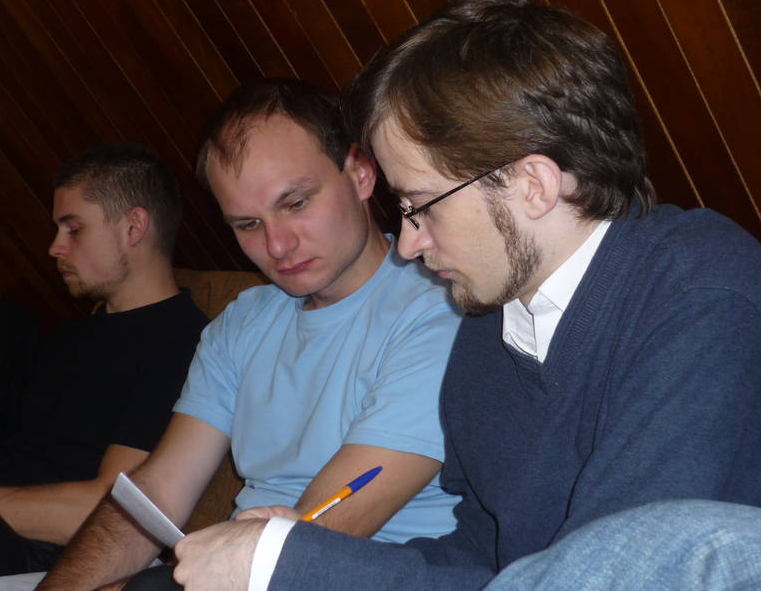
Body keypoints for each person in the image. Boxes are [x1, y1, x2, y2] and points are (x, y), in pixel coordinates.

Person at [46, 0, 761, 590]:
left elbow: (630, 565)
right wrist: (291, 553)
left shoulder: (699, 289)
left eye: (421, 205)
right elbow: (482, 562)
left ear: (531, 185)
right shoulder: (491, 337)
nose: (411, 242)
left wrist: (292, 565)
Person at [37, 78, 463, 589]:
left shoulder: (441, 310)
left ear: (361, 173)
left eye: (296, 203)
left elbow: (325, 533)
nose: (278, 246)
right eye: (247, 225)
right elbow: (158, 491)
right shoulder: (242, 323)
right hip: (242, 563)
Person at [0, 144, 209, 578]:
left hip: (48, 551)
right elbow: (21, 469)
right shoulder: (69, 337)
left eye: (73, 229)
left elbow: (108, 510)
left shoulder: (184, 344)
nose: (55, 247)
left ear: (134, 227)